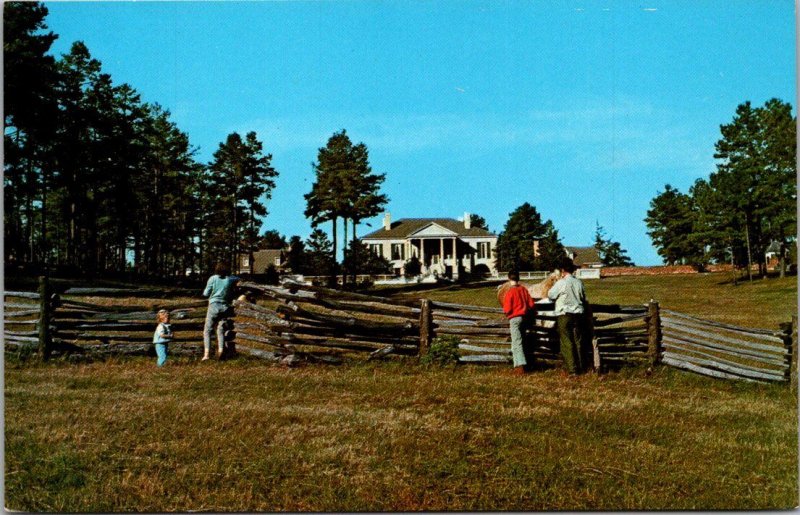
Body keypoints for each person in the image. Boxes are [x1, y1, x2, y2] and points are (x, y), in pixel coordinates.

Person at [547, 257, 589, 375]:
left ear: (562, 270)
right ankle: (582, 366)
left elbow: (551, 294)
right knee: (578, 341)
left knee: (567, 342)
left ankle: (572, 369)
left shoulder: (561, 283)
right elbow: (583, 298)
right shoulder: (578, 282)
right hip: (578, 314)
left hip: (565, 314)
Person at [202, 262, 240, 361]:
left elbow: (206, 293)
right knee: (220, 329)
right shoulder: (229, 279)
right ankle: (221, 350)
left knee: (207, 330)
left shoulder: (213, 278)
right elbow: (238, 279)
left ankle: (206, 354)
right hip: (225, 307)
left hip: (214, 305)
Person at [502, 270, 536, 375]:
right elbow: (531, 304)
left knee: (516, 342)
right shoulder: (523, 290)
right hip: (524, 317)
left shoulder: (510, 292)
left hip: (514, 318)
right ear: (518, 279)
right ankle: (516, 364)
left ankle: (520, 365)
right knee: (521, 339)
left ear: (509, 279)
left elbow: (507, 309)